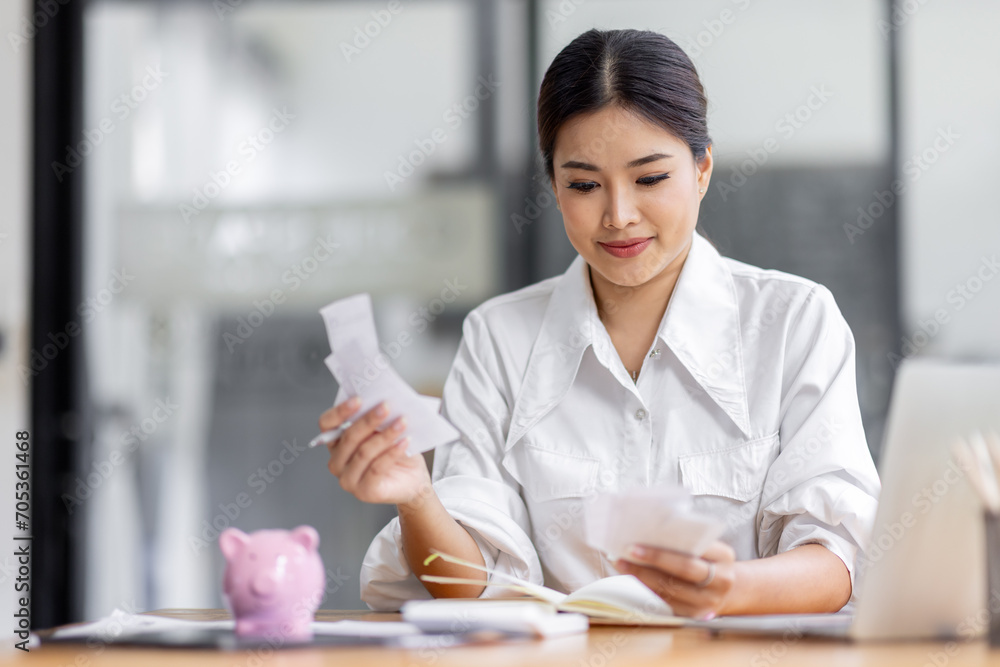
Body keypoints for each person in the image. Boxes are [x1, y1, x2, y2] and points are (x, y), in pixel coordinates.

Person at [319, 28, 880, 619]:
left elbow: (840, 556)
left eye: (650, 179)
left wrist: (729, 589)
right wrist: (415, 496)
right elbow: (465, 583)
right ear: (554, 187)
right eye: (584, 185)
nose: (618, 216)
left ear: (703, 169)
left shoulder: (794, 322)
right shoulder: (499, 339)